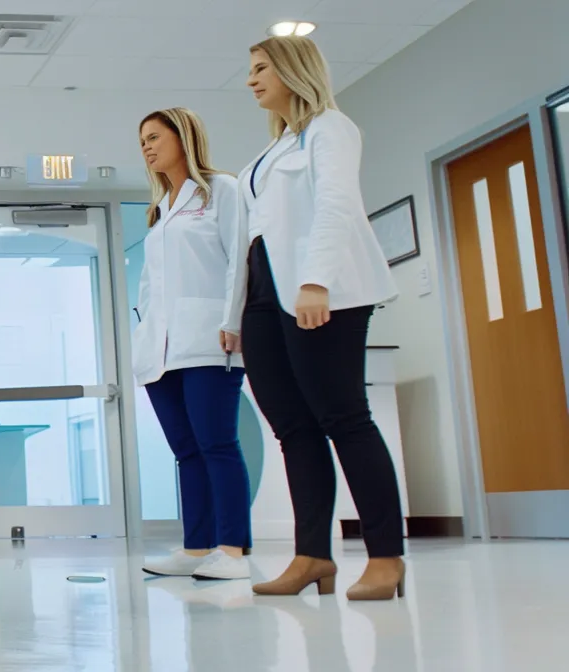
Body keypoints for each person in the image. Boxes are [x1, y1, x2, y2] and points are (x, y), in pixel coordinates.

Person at [228, 36, 405, 600]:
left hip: (317, 290)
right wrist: (237, 312)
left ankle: (385, 557)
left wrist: (316, 280)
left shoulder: (331, 127)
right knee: (293, 427)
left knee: (345, 416)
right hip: (265, 294)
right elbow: (255, 236)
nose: (251, 80)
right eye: (250, 70)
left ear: (291, 70)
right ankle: (312, 556)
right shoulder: (269, 152)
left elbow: (335, 204)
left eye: (261, 69)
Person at [132, 107, 253, 581]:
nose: (146, 146)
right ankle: (197, 548)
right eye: (142, 140)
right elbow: (150, 286)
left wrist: (232, 319)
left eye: (155, 136)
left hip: (209, 338)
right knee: (186, 450)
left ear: (184, 138)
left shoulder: (221, 190)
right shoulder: (161, 208)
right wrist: (143, 337)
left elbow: (238, 259)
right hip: (162, 349)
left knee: (217, 443)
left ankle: (233, 551)